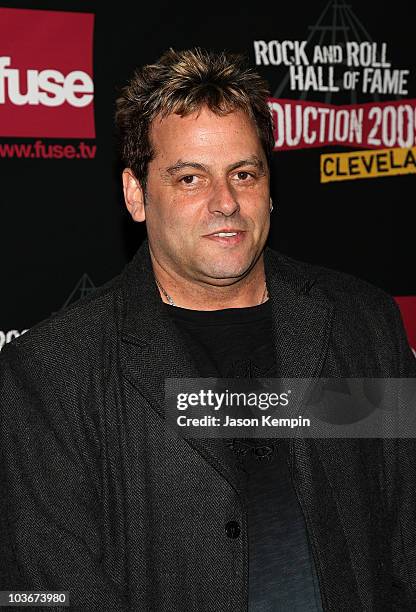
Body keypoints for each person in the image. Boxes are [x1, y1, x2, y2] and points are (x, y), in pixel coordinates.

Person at [1, 47, 415, 612]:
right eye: (191, 178)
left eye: (243, 173)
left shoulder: (361, 324)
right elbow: (51, 595)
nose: (226, 203)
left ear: (268, 188)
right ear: (135, 195)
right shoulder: (50, 376)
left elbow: (405, 541)